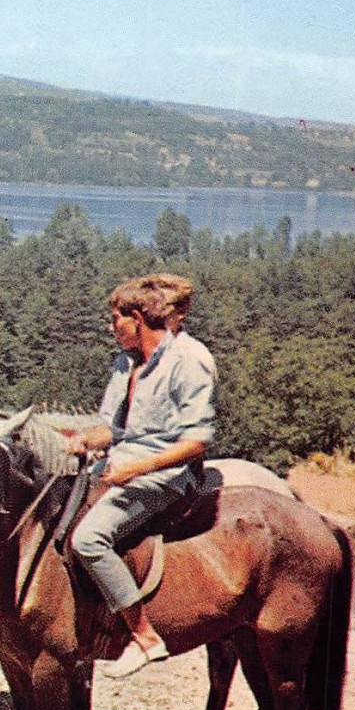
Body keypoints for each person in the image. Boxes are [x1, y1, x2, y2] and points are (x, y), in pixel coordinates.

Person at [61, 274, 216, 678]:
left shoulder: (189, 359)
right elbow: (114, 428)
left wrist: (135, 468)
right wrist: (81, 440)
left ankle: (144, 637)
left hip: (163, 476)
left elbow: (197, 441)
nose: (111, 328)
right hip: (119, 466)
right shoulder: (125, 363)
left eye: (115, 319)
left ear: (134, 318)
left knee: (89, 539)